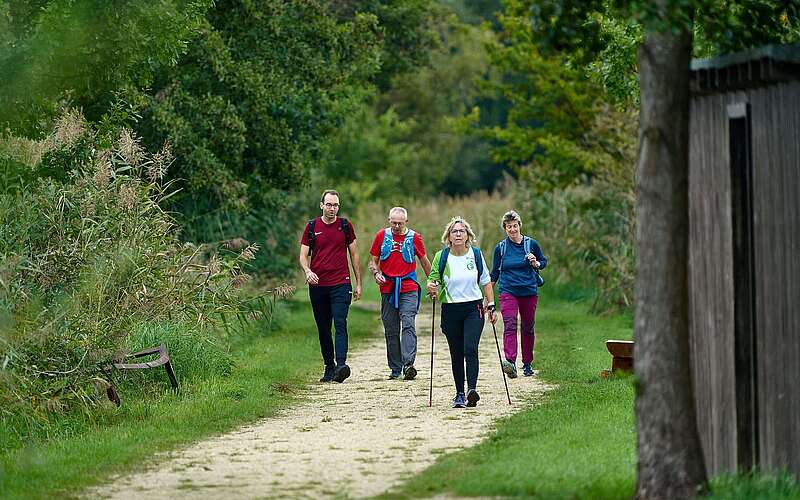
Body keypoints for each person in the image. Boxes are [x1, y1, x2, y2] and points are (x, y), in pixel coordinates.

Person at [426, 216, 496, 408]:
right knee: (456, 353)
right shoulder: (441, 257)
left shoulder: (475, 254)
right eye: (454, 231)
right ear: (448, 236)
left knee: (470, 349)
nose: (458, 234)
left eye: (461, 231)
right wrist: (432, 286)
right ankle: (459, 393)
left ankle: (471, 390)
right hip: (450, 309)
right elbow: (433, 279)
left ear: (468, 236)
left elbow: (486, 281)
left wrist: (491, 305)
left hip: (473, 308)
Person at [299, 190, 362, 383]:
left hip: (341, 283)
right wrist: (308, 271)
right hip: (318, 285)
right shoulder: (311, 227)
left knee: (340, 322)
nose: (332, 208)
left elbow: (354, 255)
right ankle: (329, 367)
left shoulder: (345, 226)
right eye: (329, 205)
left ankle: (341, 366)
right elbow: (302, 256)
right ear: (321, 205)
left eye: (335, 205)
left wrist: (358, 283)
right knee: (324, 327)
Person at [368, 207, 432, 380]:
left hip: (408, 286)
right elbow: (373, 260)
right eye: (394, 222)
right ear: (389, 220)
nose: (396, 226)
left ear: (406, 222)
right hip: (388, 287)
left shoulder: (415, 238)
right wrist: (376, 273)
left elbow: (424, 261)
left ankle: (408, 364)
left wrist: (433, 281)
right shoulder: (381, 236)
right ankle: (395, 368)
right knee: (391, 328)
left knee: (408, 323)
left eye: (400, 223)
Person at [489, 210, 548, 378]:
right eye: (509, 227)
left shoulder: (531, 244)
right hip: (508, 290)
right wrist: (488, 297)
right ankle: (511, 362)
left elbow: (543, 261)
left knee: (528, 326)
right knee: (510, 324)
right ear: (505, 228)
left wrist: (536, 262)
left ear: (519, 226)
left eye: (515, 226)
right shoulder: (501, 248)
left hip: (529, 290)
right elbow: (494, 273)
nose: (512, 229)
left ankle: (527, 363)